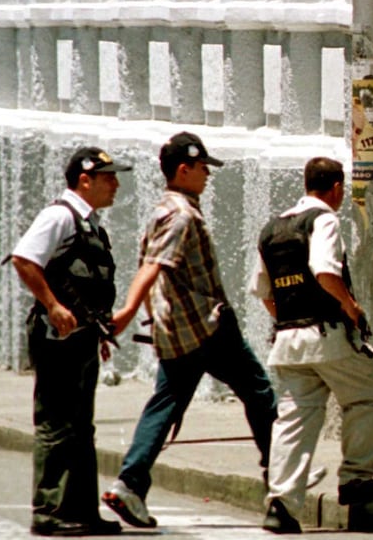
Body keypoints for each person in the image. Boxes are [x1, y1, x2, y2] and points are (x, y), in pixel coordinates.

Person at [104, 132, 277, 529]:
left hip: (177, 328)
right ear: (184, 169)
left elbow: (150, 265)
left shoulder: (162, 210)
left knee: (166, 403)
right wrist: (129, 310)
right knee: (259, 391)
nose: (207, 175)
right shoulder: (181, 216)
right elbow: (154, 266)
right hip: (206, 325)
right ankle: (279, 479)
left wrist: (151, 313)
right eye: (203, 168)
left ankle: (129, 484)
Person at [255, 157, 373, 534]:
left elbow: (263, 292)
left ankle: (281, 506)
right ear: (336, 189)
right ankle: (356, 478)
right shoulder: (325, 220)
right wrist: (351, 308)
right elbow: (324, 270)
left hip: (287, 340)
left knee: (294, 419)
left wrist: (289, 317)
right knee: (372, 393)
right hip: (326, 335)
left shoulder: (272, 229)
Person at [10, 147, 131, 537]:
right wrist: (52, 305)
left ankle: (80, 511)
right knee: (56, 425)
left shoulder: (91, 225)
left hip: (81, 339)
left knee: (81, 427)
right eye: (108, 177)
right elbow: (24, 259)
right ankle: (48, 511)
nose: (115, 184)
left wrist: (98, 333)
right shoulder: (59, 216)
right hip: (55, 337)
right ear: (85, 180)